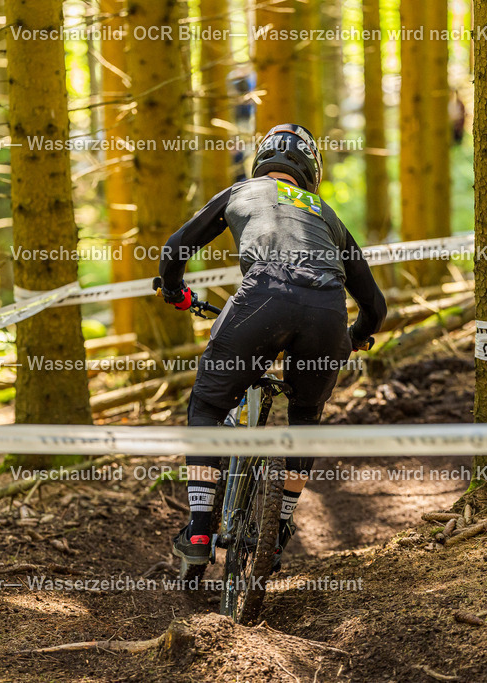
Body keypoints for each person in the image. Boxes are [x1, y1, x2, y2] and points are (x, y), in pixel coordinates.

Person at [156, 123, 387, 570]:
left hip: (262, 297)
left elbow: (175, 248)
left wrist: (175, 292)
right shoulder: (327, 215)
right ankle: (278, 528)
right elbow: (374, 305)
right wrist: (353, 339)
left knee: (206, 404)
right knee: (304, 416)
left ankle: (200, 528)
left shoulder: (242, 192)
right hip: (327, 313)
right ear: (311, 171)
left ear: (263, 162)